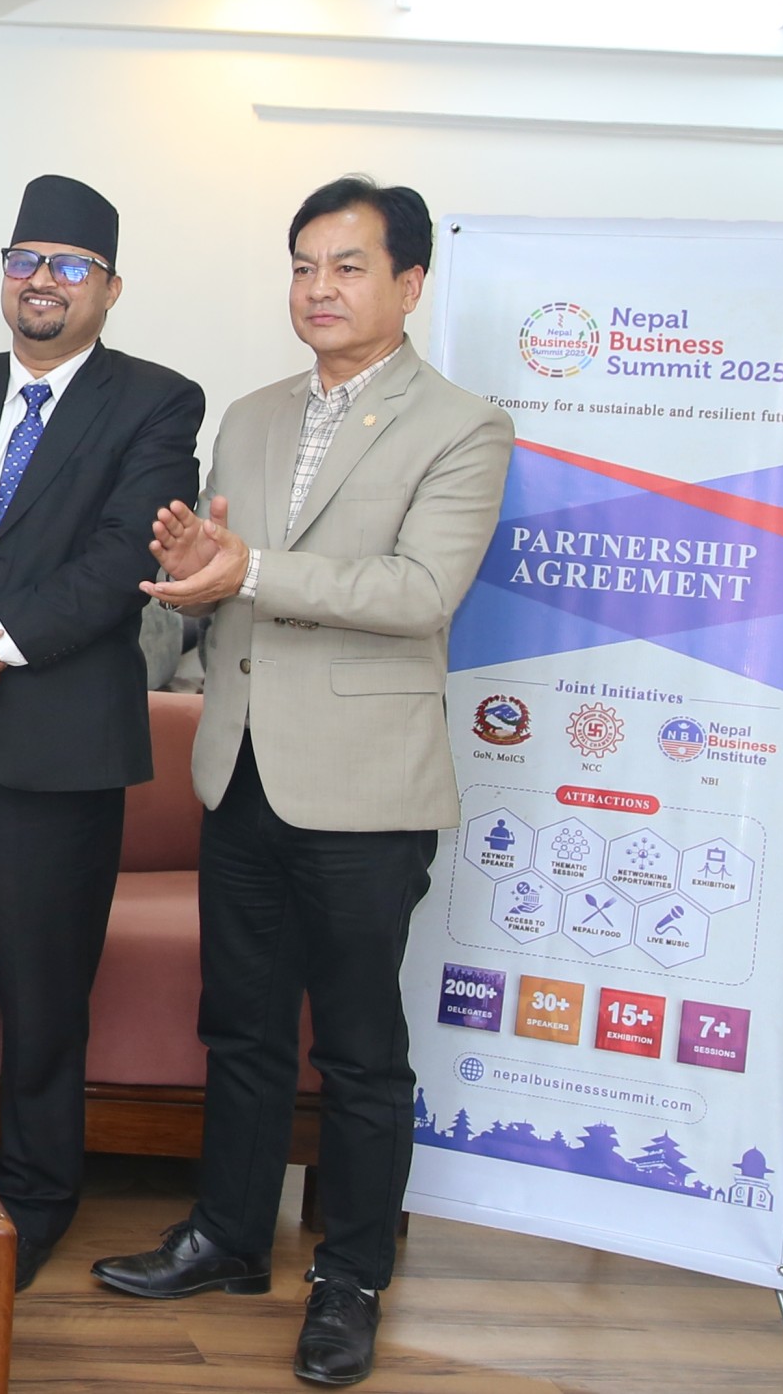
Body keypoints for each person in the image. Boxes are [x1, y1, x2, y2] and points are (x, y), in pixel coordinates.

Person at [91, 177, 512, 1389]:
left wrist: (248, 569)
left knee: (363, 1049)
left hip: (365, 787)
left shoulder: (464, 426)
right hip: (240, 768)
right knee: (242, 1025)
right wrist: (188, 568)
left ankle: (351, 1277)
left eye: (348, 266)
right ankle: (229, 1236)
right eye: (303, 265)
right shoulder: (254, 413)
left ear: (410, 284)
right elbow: (220, 576)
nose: (319, 289)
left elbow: (419, 593)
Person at [0, 176, 204, 1292]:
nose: (43, 281)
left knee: (44, 996)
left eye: (70, 265)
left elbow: (122, 561)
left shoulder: (157, 401)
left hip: (56, 754)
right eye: (25, 260)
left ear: (110, 287)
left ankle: (34, 1199)